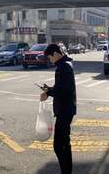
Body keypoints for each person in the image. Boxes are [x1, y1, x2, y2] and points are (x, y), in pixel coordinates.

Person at [40, 44, 76, 174]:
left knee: (61, 146)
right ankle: (66, 171)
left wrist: (48, 93)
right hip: (66, 110)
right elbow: (61, 87)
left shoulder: (64, 66)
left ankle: (66, 172)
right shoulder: (65, 64)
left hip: (65, 111)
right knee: (62, 144)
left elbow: (63, 90)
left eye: (50, 57)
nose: (50, 60)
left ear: (55, 54)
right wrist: (49, 89)